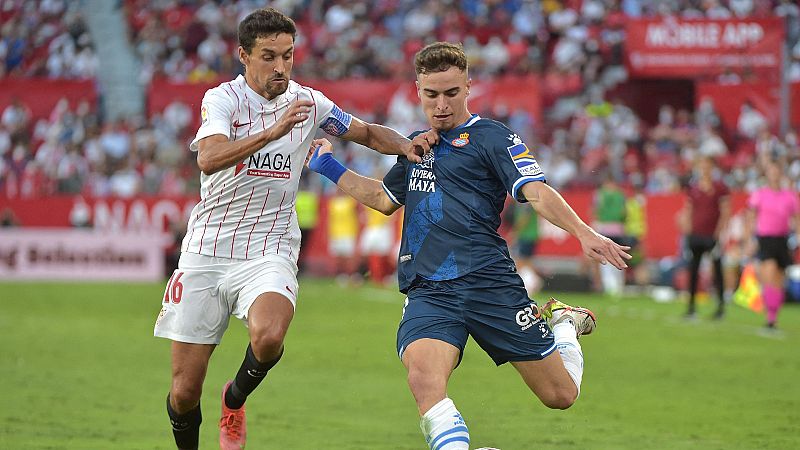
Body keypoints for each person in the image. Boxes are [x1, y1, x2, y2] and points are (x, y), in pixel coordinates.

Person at [307, 42, 630, 450]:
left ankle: (564, 325)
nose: (440, 104)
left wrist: (584, 232)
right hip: (430, 289)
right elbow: (383, 200)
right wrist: (329, 167)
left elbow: (535, 190)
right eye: (431, 94)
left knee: (559, 396)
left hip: (489, 283)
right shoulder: (415, 146)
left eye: (451, 93)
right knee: (424, 379)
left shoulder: (494, 138)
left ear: (468, 88)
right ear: (418, 91)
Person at [152, 8, 424, 450]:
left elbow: (366, 133)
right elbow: (208, 157)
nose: (280, 67)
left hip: (269, 248)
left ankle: (234, 399)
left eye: (288, 55)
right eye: (268, 56)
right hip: (207, 249)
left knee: (269, 336)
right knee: (183, 393)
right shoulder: (222, 100)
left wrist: (409, 144)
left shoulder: (309, 102)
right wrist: (274, 131)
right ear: (243, 55)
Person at [744, 160, 800, 331]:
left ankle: (773, 317)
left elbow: (796, 219)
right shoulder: (760, 194)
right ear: (767, 174)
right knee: (768, 274)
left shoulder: (790, 196)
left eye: (776, 171)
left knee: (778, 280)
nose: (774, 174)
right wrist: (748, 239)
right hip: (765, 239)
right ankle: (769, 316)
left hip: (782, 240)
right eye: (771, 171)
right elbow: (751, 217)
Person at [680, 156, 730, 319]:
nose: (704, 169)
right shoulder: (694, 188)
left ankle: (721, 306)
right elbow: (688, 210)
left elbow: (725, 211)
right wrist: (687, 229)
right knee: (693, 270)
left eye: (707, 165)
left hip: (711, 235)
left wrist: (718, 233)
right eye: (702, 165)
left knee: (717, 270)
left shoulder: (720, 187)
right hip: (695, 235)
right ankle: (691, 306)